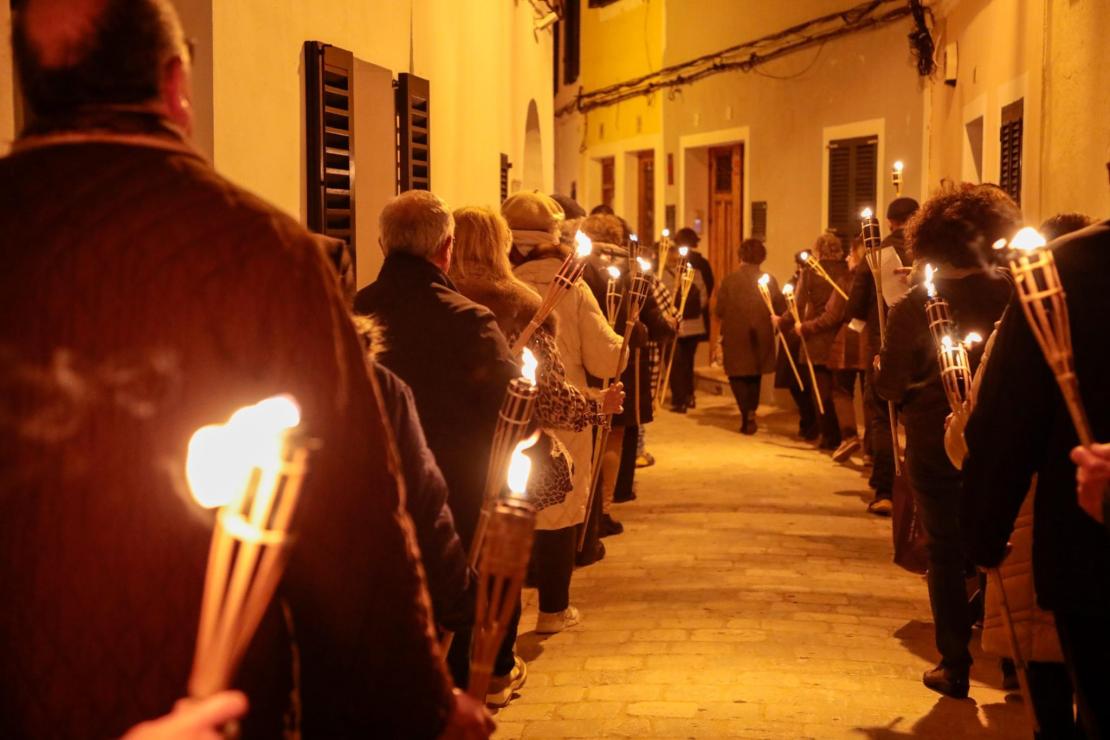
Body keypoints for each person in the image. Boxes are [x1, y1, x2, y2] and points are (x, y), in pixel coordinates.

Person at [0, 1, 488, 737]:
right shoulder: (263, 254)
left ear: (27, 85)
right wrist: (423, 703)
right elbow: (352, 517)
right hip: (212, 705)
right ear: (175, 86)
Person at [353, 190, 522, 703]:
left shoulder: (352, 311)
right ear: (446, 249)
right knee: (456, 593)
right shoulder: (469, 320)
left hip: (372, 488)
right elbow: (511, 408)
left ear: (383, 243)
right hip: (457, 490)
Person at [963, 216, 1110, 734]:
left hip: (1089, 553)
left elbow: (1006, 416)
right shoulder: (1056, 269)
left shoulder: (1065, 269)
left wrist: (983, 534)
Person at [447, 205, 623, 638]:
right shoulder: (526, 302)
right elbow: (553, 391)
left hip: (447, 444)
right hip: (521, 436)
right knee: (536, 523)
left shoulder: (440, 299)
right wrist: (599, 402)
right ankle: (531, 626)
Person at [876, 183, 1021, 699]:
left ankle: (954, 662)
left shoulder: (917, 303)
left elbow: (889, 386)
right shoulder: (1012, 288)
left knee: (944, 549)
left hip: (933, 437)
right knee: (1001, 544)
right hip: (1003, 434)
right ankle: (1010, 658)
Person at [509, 197, 625, 563]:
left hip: (512, 410)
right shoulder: (572, 285)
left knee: (513, 496)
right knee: (559, 505)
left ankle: (517, 573)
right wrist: (621, 337)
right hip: (567, 407)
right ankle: (553, 603)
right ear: (553, 232)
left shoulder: (496, 282)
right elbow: (606, 358)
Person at [847, 197, 920, 514]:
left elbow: (856, 302)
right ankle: (917, 487)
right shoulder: (927, 250)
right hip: (925, 343)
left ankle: (885, 488)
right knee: (917, 416)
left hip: (884, 340)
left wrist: (856, 323)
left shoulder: (875, 254)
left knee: (881, 414)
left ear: (890, 221)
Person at [715, 239, 785, 435]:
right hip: (761, 335)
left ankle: (745, 412)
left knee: (736, 376)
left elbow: (719, 309)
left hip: (735, 335)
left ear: (741, 256)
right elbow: (779, 306)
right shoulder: (768, 279)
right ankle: (751, 411)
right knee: (755, 376)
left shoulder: (730, 280)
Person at [792, 232, 850, 451]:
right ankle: (845, 435)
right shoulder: (846, 271)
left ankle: (829, 435)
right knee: (841, 391)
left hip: (816, 337)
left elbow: (798, 304)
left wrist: (790, 323)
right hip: (843, 338)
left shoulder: (810, 273)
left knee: (821, 390)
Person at [825, 238, 870, 463]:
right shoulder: (879, 278)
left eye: (850, 253)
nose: (846, 257)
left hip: (851, 338)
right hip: (874, 339)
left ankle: (849, 435)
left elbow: (834, 310)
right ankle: (872, 448)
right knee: (870, 393)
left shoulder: (850, 279)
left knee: (841, 388)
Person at [671, 227, 714, 410]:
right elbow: (706, 292)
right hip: (696, 322)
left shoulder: (670, 270)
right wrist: (697, 310)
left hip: (676, 324)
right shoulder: (701, 265)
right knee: (689, 363)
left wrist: (674, 315)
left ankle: (679, 399)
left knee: (676, 363)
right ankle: (690, 395)